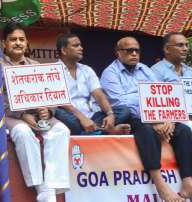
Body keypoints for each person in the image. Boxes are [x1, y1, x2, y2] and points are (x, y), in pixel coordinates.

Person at [0, 23, 70, 202]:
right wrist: (22, 115)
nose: (18, 43)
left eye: (21, 39)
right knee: (23, 132)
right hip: (8, 116)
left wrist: (49, 111)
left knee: (62, 130)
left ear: (27, 43)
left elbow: (50, 95)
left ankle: (52, 185)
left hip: (37, 116)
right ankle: (42, 188)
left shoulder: (35, 65)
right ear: (4, 44)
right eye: (13, 39)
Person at [101, 36, 192, 202]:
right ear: (118, 53)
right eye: (129, 50)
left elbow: (162, 94)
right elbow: (121, 103)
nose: (134, 54)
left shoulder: (145, 69)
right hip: (131, 117)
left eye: (137, 50)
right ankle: (159, 183)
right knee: (146, 130)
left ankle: (188, 181)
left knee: (184, 130)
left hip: (156, 115)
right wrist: (152, 117)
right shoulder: (110, 73)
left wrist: (169, 119)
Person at [54, 33, 131, 135]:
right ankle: (107, 130)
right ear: (64, 50)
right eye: (75, 45)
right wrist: (82, 118)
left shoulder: (87, 70)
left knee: (124, 111)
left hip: (90, 116)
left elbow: (98, 94)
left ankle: (93, 129)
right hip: (71, 116)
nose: (81, 48)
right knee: (59, 114)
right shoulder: (53, 70)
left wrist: (110, 114)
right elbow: (60, 101)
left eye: (80, 45)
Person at [151, 32, 192, 129]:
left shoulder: (190, 71)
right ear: (167, 49)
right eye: (180, 45)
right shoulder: (155, 71)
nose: (185, 49)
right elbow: (155, 103)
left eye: (186, 45)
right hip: (173, 121)